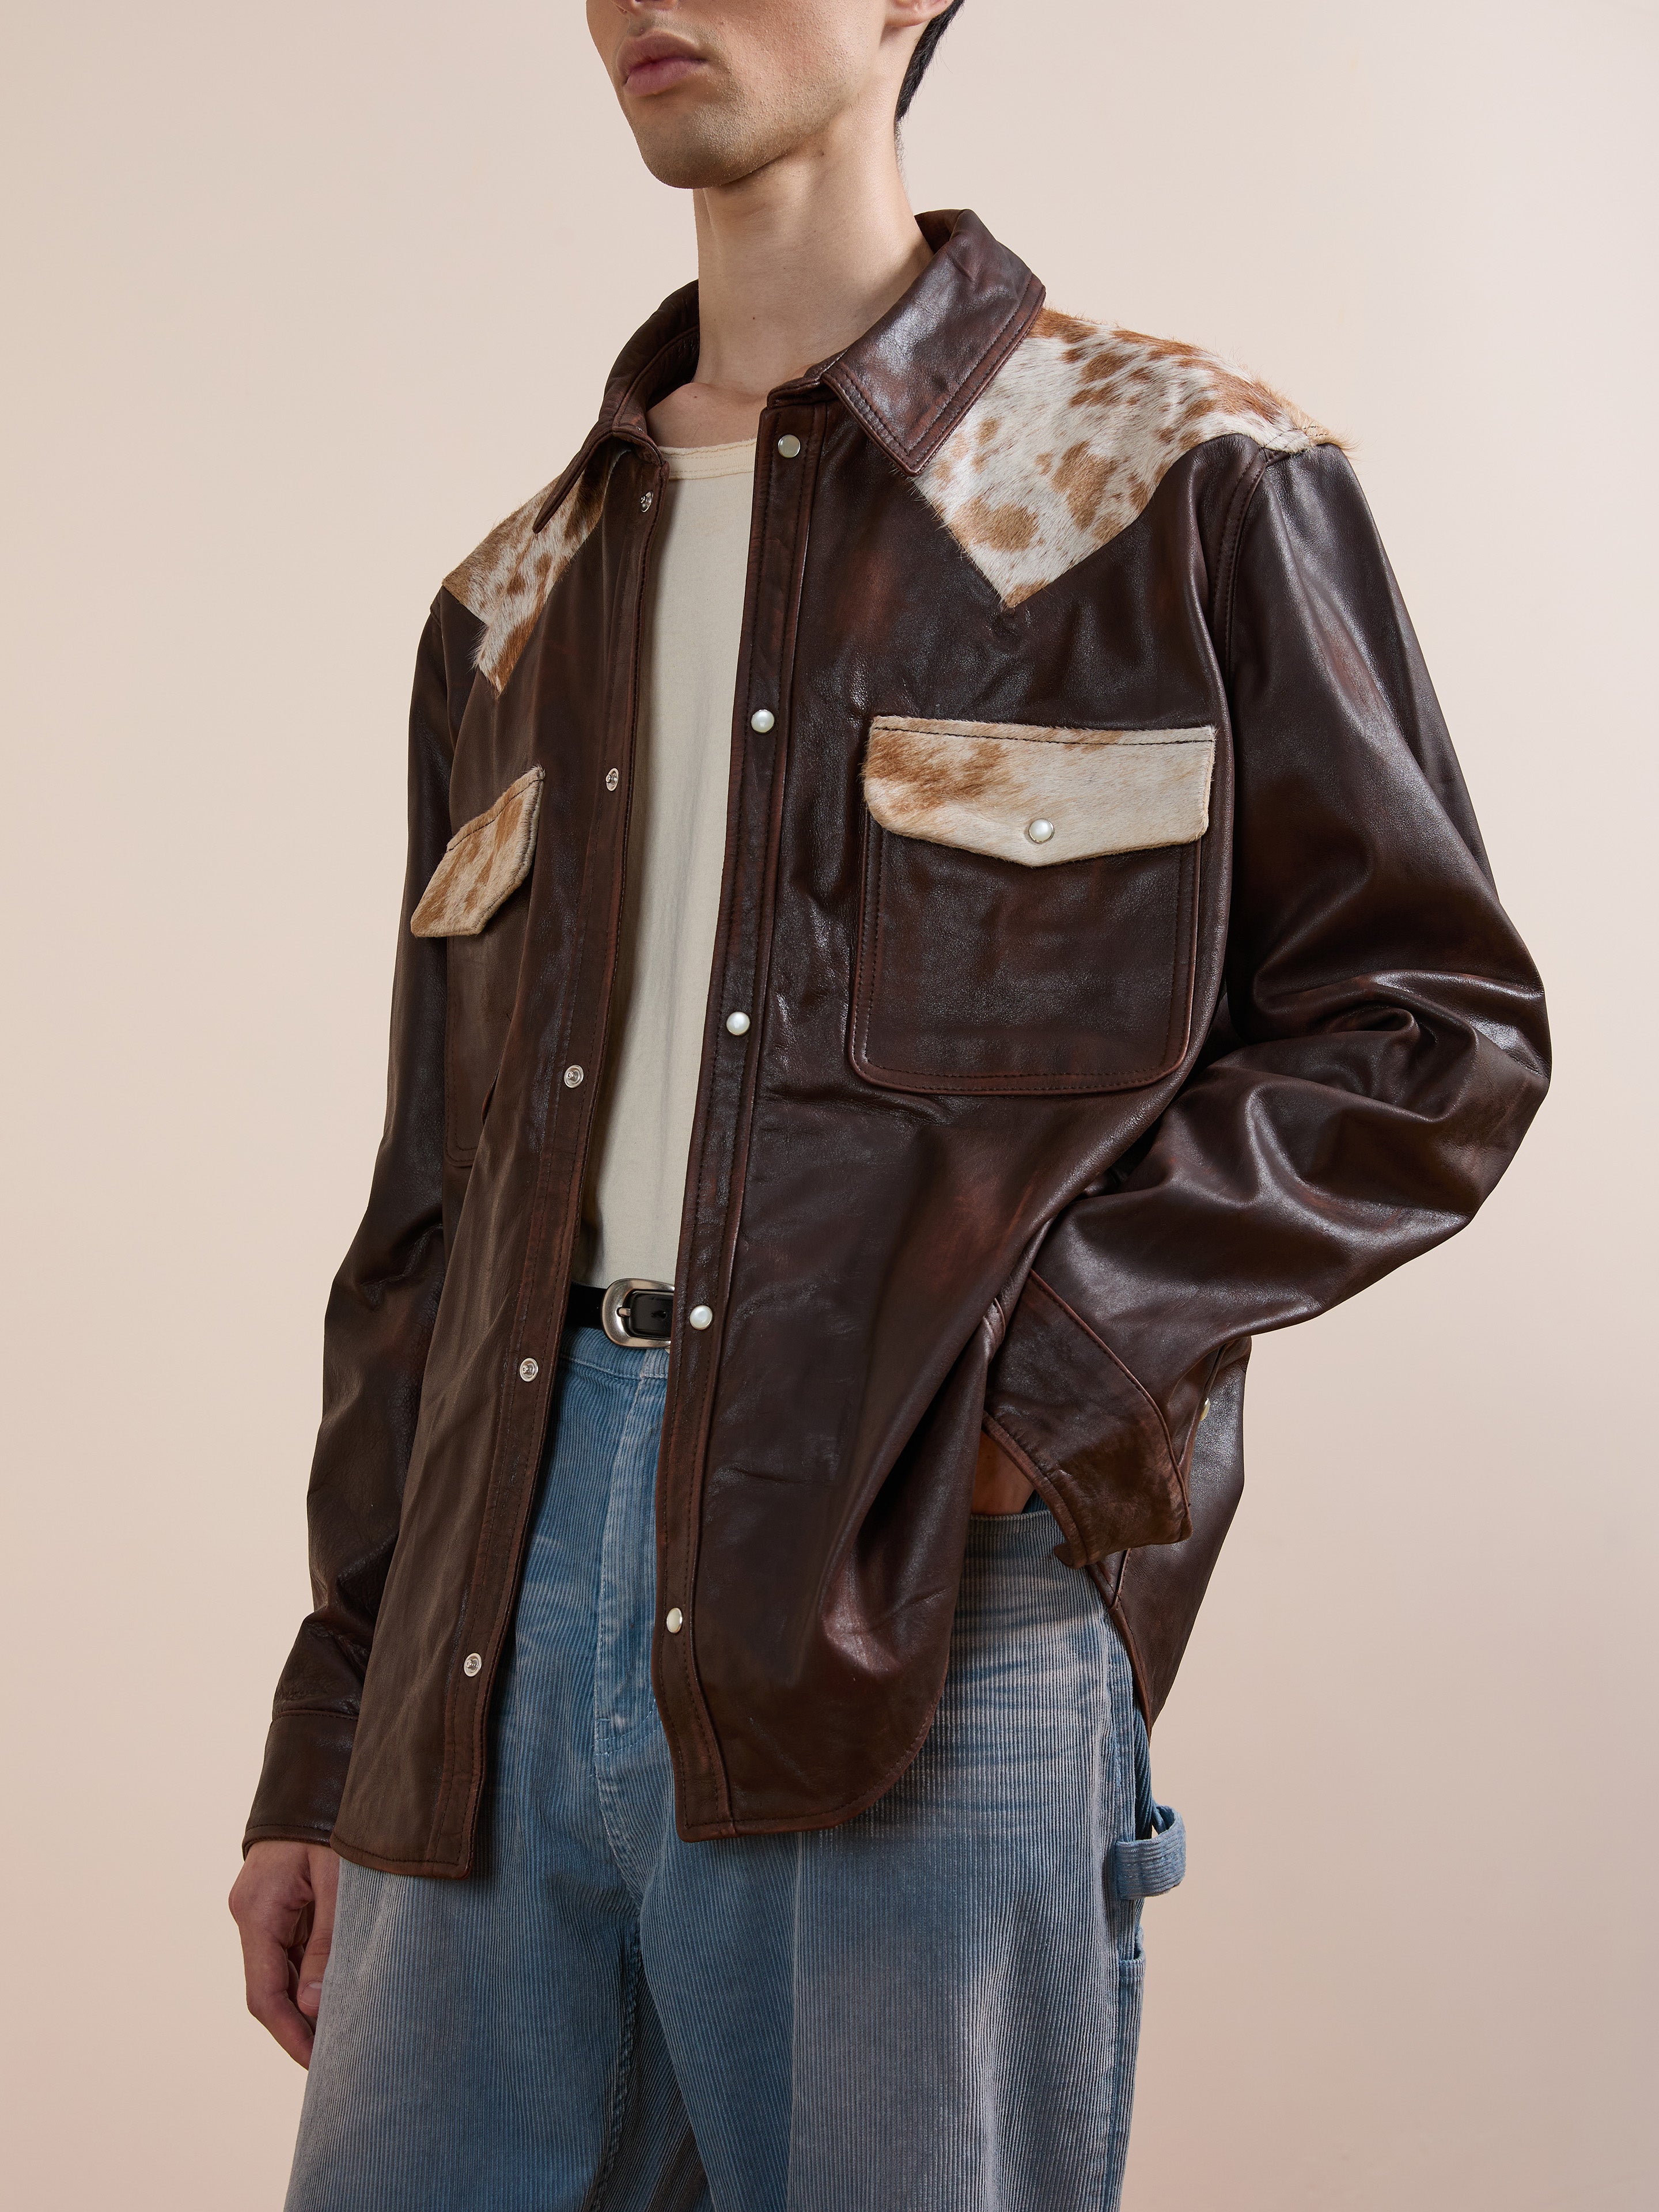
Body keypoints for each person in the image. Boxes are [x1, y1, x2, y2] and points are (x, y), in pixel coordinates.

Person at [230, 2, 1550, 2205]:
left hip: (926, 1606)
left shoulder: (1172, 481)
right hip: (479, 1633)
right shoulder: (508, 605)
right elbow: (428, 1228)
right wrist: (330, 1724)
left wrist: (1023, 1403)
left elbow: (1427, 1033)